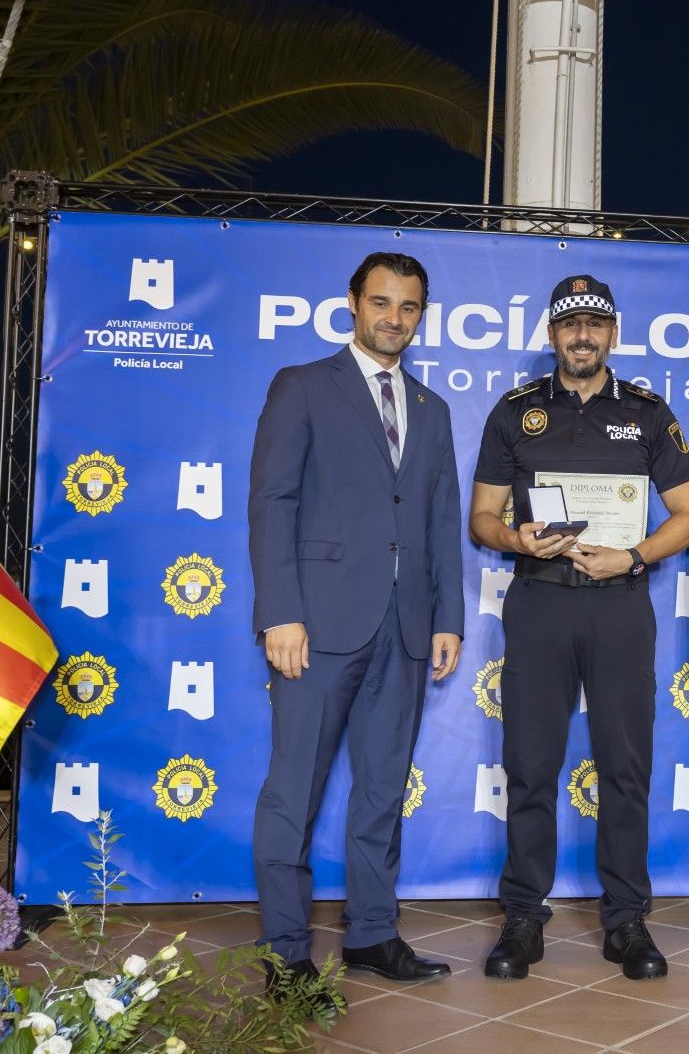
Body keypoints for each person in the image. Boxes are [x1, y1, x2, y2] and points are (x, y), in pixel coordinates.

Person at [469, 274, 689, 981]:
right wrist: (518, 540)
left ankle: (627, 920)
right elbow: (482, 519)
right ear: (551, 335)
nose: (583, 335)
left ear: (613, 335)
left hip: (619, 606)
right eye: (570, 324)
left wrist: (632, 555)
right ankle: (522, 916)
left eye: (595, 324)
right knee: (531, 765)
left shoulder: (647, 411)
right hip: (539, 601)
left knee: (625, 766)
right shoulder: (513, 413)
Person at [249, 251, 464, 995]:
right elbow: (272, 503)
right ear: (353, 303)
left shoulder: (433, 410)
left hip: (405, 630)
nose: (394, 319)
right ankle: (285, 950)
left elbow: (439, 520)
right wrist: (280, 611)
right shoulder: (303, 387)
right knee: (293, 791)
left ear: (420, 315)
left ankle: (372, 933)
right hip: (317, 627)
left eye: (408, 307)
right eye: (381, 303)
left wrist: (448, 618)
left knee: (381, 789)